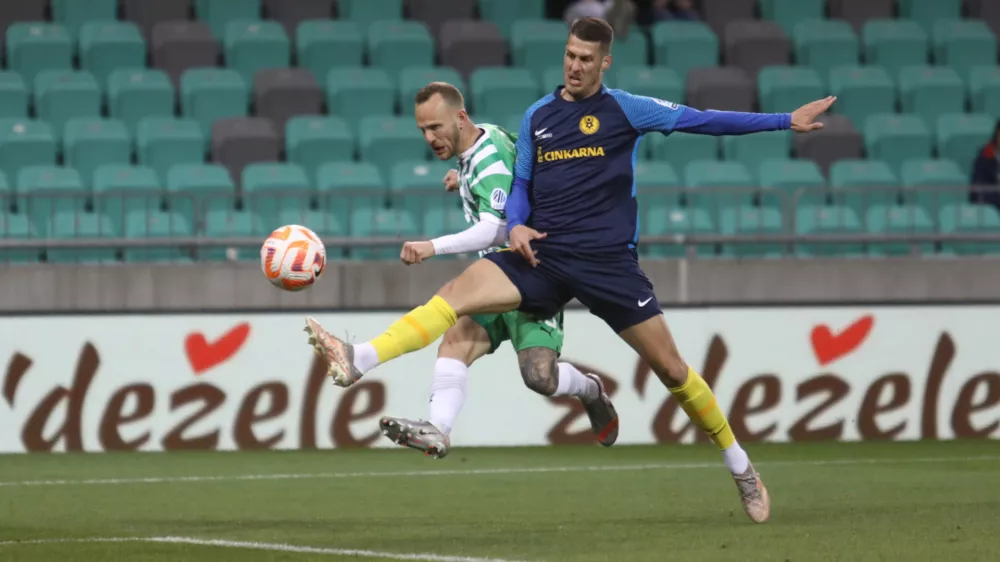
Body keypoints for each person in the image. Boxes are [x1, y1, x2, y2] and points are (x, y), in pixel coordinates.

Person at [305, 16, 836, 524]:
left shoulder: (627, 109)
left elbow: (702, 120)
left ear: (605, 62)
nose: (574, 66)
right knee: (457, 294)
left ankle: (741, 468)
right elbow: (519, 189)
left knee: (673, 372)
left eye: (585, 58)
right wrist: (514, 225)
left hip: (608, 266)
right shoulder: (538, 117)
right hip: (544, 256)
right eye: (568, 55)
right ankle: (359, 358)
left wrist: (785, 121)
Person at [311, 82, 619, 460]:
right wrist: (465, 180)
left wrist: (432, 246)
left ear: (460, 117)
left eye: (436, 127)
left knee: (540, 376)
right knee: (455, 338)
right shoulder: (485, 140)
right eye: (423, 130)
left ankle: (590, 390)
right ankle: (437, 427)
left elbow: (497, 228)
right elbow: (517, 163)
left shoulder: (486, 158)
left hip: (531, 276)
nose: (430, 137)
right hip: (494, 277)